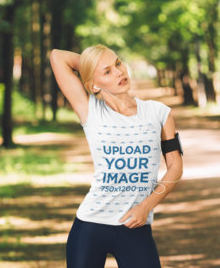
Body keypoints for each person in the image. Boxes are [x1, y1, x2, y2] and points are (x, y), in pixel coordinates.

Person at [50, 44, 183, 268]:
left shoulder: (159, 112)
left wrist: (146, 206)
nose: (119, 72)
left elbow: (175, 167)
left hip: (134, 226)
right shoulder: (89, 110)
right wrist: (90, 67)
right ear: (93, 84)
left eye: (118, 63)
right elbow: (57, 56)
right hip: (90, 226)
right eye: (107, 71)